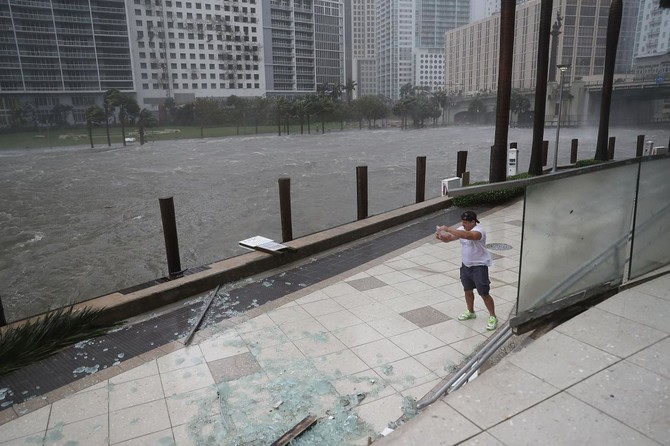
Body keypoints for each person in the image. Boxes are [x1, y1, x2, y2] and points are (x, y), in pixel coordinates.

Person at [436, 210, 498, 331]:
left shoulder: (479, 231)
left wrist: (447, 228)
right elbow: (451, 237)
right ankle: (470, 311)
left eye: (465, 222)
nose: (463, 224)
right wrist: (442, 237)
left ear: (473, 222)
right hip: (466, 266)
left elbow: (467, 236)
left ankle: (493, 316)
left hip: (479, 266)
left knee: (484, 293)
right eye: (462, 222)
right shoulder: (461, 229)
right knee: (467, 290)